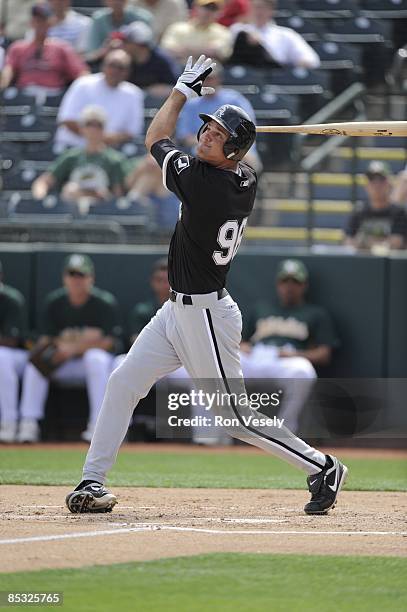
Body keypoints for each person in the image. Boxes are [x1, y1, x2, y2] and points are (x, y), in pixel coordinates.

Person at [65, 55, 348, 517]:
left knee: (231, 418)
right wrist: (233, 135)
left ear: (233, 151)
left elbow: (155, 137)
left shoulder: (204, 185)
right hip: (177, 311)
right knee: (122, 383)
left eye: (216, 134)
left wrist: (180, 91)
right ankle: (92, 481)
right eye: (207, 128)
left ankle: (322, 465)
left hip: (205, 315)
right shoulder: (242, 178)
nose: (205, 135)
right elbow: (205, 150)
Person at [17, 254, 122, 444]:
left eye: (81, 275)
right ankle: (28, 423)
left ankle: (97, 425)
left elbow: (108, 342)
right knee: (37, 364)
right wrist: (59, 347)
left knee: (95, 358)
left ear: (91, 278)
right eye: (72, 274)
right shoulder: (54, 303)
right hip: (62, 364)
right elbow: (45, 339)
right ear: (64, 278)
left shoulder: (103, 303)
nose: (76, 280)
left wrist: (72, 347)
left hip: (91, 366)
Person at [241, 259, 339, 433]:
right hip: (256, 357)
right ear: (278, 284)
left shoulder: (315, 313)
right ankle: (214, 437)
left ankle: (284, 433)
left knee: (304, 372)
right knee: (217, 368)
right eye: (285, 281)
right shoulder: (260, 308)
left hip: (287, 361)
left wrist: (295, 355)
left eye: (295, 282)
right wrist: (244, 347)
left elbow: (324, 354)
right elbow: (240, 341)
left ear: (304, 285)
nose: (289, 287)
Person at [33, 105, 126, 208]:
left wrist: (101, 195)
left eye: (98, 125)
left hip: (101, 207)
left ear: (104, 129)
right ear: (82, 129)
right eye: (89, 124)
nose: (93, 129)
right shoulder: (71, 157)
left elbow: (118, 195)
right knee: (70, 189)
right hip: (72, 204)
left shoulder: (114, 159)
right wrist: (40, 199)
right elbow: (44, 181)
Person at [177, 62, 262, 172]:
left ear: (219, 78)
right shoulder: (191, 104)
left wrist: (223, 146)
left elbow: (248, 130)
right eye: (203, 78)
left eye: (211, 78)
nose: (207, 82)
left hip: (234, 149)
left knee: (249, 161)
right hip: (200, 150)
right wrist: (214, 143)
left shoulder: (235, 99)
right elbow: (185, 136)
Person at [55, 49, 144, 150]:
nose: (115, 71)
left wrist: (104, 139)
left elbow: (132, 131)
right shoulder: (83, 84)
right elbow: (67, 120)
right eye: (112, 65)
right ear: (103, 66)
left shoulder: (134, 94)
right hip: (74, 149)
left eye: (121, 67)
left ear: (128, 71)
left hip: (110, 154)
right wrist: (94, 137)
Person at [0, 3, 88, 95]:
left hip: (53, 97)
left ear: (51, 22)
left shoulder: (61, 48)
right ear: (32, 22)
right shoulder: (18, 48)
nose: (40, 24)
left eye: (43, 20)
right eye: (37, 20)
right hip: (23, 97)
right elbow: (8, 72)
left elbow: (81, 73)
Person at [230, 0, 320, 69]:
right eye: (256, 7)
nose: (259, 12)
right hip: (243, 74)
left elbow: (312, 61)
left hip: (274, 76)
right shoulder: (237, 29)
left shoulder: (286, 34)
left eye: (263, 7)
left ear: (272, 10)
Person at [345, 161, 407, 252]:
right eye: (372, 180)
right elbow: (348, 242)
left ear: (389, 184)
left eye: (381, 180)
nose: (377, 185)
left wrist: (364, 243)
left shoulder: (399, 212)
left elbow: (396, 243)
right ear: (367, 186)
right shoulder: (358, 212)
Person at [0, 261, 28, 444]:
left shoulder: (10, 299)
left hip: (17, 357)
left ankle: (9, 423)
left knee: (1, 355)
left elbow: (11, 340)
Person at [161, 0, 233, 63]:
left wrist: (184, 50)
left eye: (213, 9)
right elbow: (167, 50)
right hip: (179, 70)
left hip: (207, 73)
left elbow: (218, 52)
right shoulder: (177, 28)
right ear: (195, 8)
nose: (208, 12)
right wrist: (203, 50)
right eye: (205, 7)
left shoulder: (222, 32)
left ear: (219, 12)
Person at [121, 21, 179, 95]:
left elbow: (176, 88)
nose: (123, 44)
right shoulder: (123, 60)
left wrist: (162, 89)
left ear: (139, 44)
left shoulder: (162, 60)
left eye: (127, 41)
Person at [85, 0, 152, 64]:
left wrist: (126, 47)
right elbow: (91, 54)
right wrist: (107, 49)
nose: (117, 2)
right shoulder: (98, 19)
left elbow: (147, 52)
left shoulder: (143, 18)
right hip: (103, 66)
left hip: (136, 66)